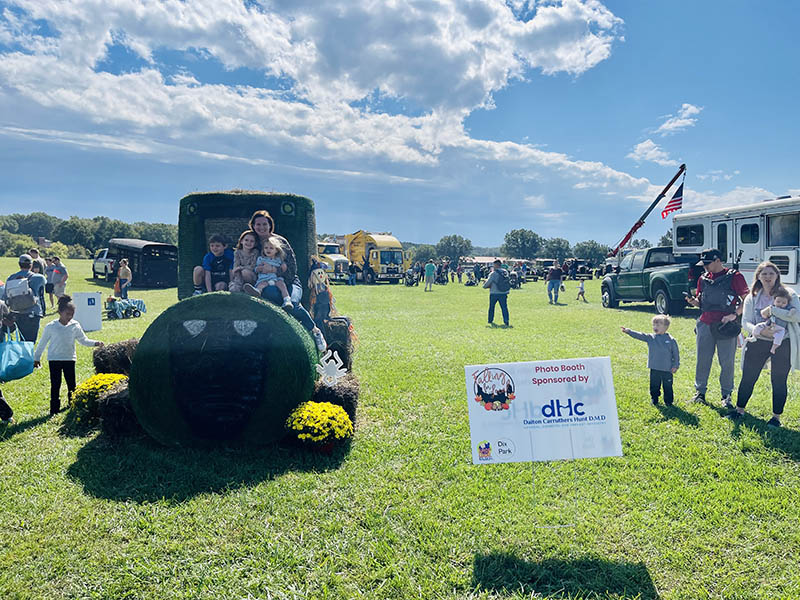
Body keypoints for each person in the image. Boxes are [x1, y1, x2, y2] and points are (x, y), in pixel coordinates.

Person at [729, 261, 800, 427]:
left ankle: (776, 417)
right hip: (758, 341)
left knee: (779, 379)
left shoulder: (790, 294)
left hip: (783, 343)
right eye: (764, 274)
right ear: (758, 277)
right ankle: (739, 409)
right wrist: (760, 331)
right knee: (748, 376)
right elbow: (746, 322)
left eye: (771, 273)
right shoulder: (752, 297)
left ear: (777, 276)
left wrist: (773, 310)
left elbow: (797, 316)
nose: (768, 277)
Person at [247, 210, 327, 351]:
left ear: (270, 225)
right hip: (266, 282)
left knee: (293, 303)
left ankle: (315, 331)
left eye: (264, 224)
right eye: (258, 224)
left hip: (288, 282)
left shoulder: (280, 241)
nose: (261, 227)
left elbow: (292, 268)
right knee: (271, 293)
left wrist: (273, 270)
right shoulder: (252, 242)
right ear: (253, 225)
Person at [685, 248, 749, 407]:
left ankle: (726, 395)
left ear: (718, 260)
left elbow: (747, 299)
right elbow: (702, 302)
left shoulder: (735, 276)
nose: (705, 267)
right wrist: (694, 302)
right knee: (703, 359)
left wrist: (735, 314)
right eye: (703, 264)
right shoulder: (703, 279)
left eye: (708, 263)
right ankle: (700, 392)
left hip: (726, 325)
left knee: (726, 361)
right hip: (705, 323)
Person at [33, 295, 104, 415]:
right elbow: (42, 343)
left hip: (69, 359)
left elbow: (83, 340)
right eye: (67, 314)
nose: (70, 316)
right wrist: (36, 358)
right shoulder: (51, 327)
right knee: (55, 384)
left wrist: (96, 343)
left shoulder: (75, 325)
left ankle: (73, 404)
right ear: (60, 312)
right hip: (54, 359)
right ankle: (54, 409)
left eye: (72, 314)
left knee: (72, 384)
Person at [622, 315, 680, 406]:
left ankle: (668, 401)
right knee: (654, 385)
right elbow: (640, 335)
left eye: (658, 325)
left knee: (667, 386)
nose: (655, 327)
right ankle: (654, 398)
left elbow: (676, 354)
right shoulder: (651, 338)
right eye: (654, 325)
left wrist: (675, 365)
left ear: (665, 327)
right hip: (654, 367)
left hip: (667, 368)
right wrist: (629, 331)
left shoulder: (671, 340)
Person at [2, 254, 47, 343]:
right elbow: (41, 291)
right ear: (31, 265)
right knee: (30, 342)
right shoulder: (38, 277)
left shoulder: (11, 278)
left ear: (19, 264)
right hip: (33, 312)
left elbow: (6, 296)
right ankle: (28, 356)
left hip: (17, 313)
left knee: (22, 340)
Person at [244, 236, 293, 310]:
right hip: (265, 278)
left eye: (271, 248)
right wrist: (258, 269)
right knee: (261, 284)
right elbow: (256, 269)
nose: (268, 250)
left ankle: (287, 300)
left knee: (282, 285)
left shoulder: (279, 259)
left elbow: (283, 268)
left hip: (276, 278)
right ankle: (257, 291)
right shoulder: (261, 259)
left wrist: (283, 266)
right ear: (263, 249)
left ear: (276, 250)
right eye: (266, 248)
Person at [0, 299, 15, 424]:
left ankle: (6, 414)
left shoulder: (1, 305)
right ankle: (6, 415)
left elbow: (11, 327)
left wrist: (8, 323)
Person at [483, 259, 510, 327]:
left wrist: (484, 284)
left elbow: (487, 283)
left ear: (496, 265)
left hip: (494, 293)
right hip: (504, 292)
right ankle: (506, 321)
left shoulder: (493, 273)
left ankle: (490, 320)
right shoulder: (505, 272)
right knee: (504, 307)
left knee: (492, 307)